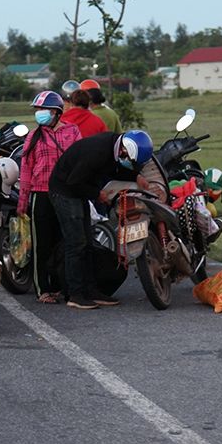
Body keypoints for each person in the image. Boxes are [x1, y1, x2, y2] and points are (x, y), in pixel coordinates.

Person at [48, 129, 153, 309]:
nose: (130, 164)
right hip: (64, 192)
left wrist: (136, 177)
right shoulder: (97, 152)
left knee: (88, 243)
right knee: (76, 243)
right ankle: (75, 294)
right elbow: (74, 181)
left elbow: (114, 170)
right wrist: (97, 194)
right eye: (131, 161)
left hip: (78, 192)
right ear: (124, 150)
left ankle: (90, 290)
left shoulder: (114, 148)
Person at [16, 91, 82, 304]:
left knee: (64, 241)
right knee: (41, 244)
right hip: (40, 195)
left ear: (56, 112)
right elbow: (26, 169)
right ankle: (42, 289)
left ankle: (61, 285)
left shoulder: (72, 132)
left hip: (65, 194)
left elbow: (80, 160)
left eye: (42, 110)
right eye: (37, 110)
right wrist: (23, 200)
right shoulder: (33, 136)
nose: (39, 114)